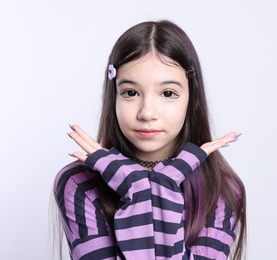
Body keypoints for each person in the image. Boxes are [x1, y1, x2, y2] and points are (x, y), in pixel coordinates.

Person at [54, 20, 246, 260]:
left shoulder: (220, 190)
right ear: (113, 96)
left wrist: (160, 184)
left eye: (168, 94)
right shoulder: (80, 182)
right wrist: (137, 187)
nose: (147, 113)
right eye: (130, 93)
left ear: (191, 99)